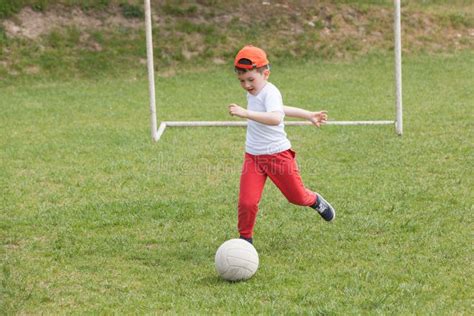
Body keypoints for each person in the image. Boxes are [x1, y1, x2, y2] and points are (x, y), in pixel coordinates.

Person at [228, 45, 335, 245]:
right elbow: (280, 109)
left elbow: (276, 117)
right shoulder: (253, 92)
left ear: (265, 74)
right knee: (247, 202)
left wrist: (245, 113)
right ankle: (245, 240)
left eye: (251, 79)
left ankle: (315, 200)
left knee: (297, 197)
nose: (247, 85)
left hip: (278, 156)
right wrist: (308, 114)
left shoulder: (270, 91)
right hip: (253, 156)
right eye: (242, 81)